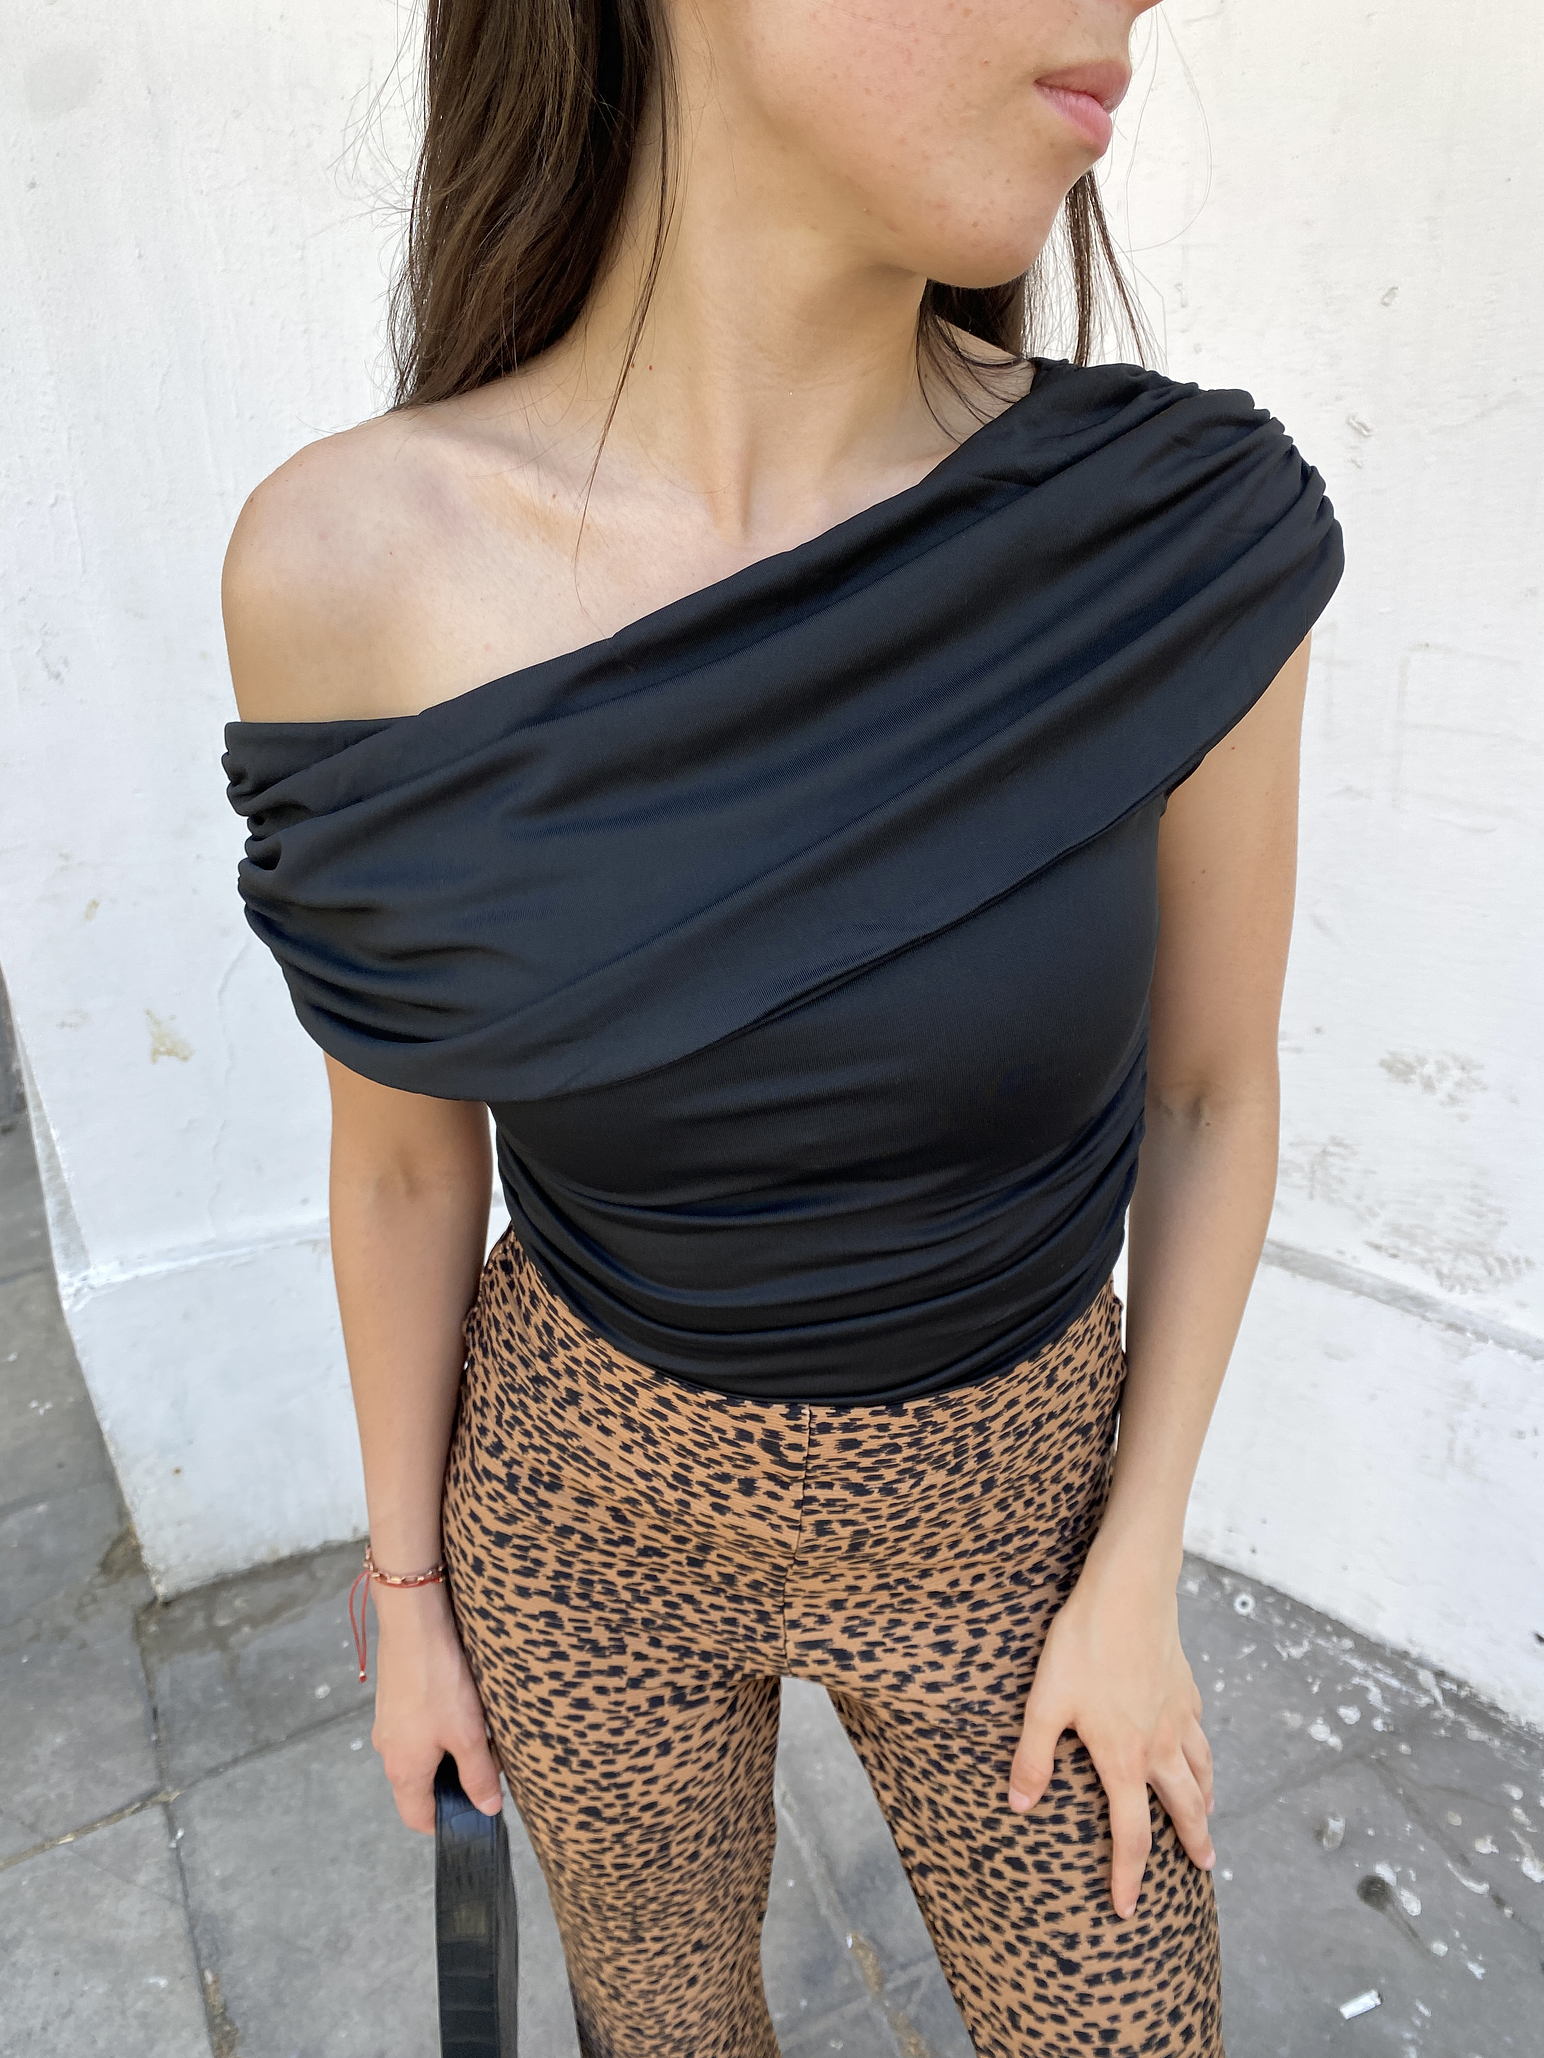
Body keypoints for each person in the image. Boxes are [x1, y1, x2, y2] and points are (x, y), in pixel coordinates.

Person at [220, 2, 1342, 2051]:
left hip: (1015, 1515)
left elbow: (1207, 1087)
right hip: (582, 1511)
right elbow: (399, 1164)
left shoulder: (1172, 538)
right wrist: (411, 1601)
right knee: (658, 2027)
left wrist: (1137, 1568)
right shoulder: (350, 570)